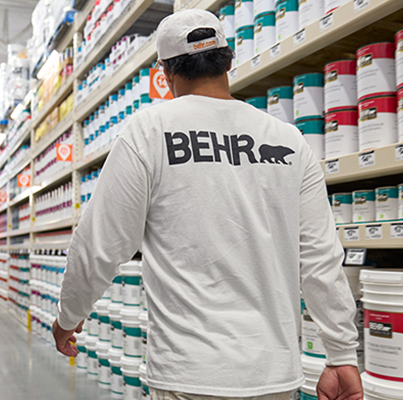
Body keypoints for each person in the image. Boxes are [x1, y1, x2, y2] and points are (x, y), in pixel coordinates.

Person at [53, 9, 362, 400]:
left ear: (164, 73)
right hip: (274, 376)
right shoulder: (288, 140)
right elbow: (321, 257)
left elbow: (98, 243)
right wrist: (341, 354)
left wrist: (69, 315)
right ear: (228, 61)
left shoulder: (150, 131)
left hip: (188, 375)